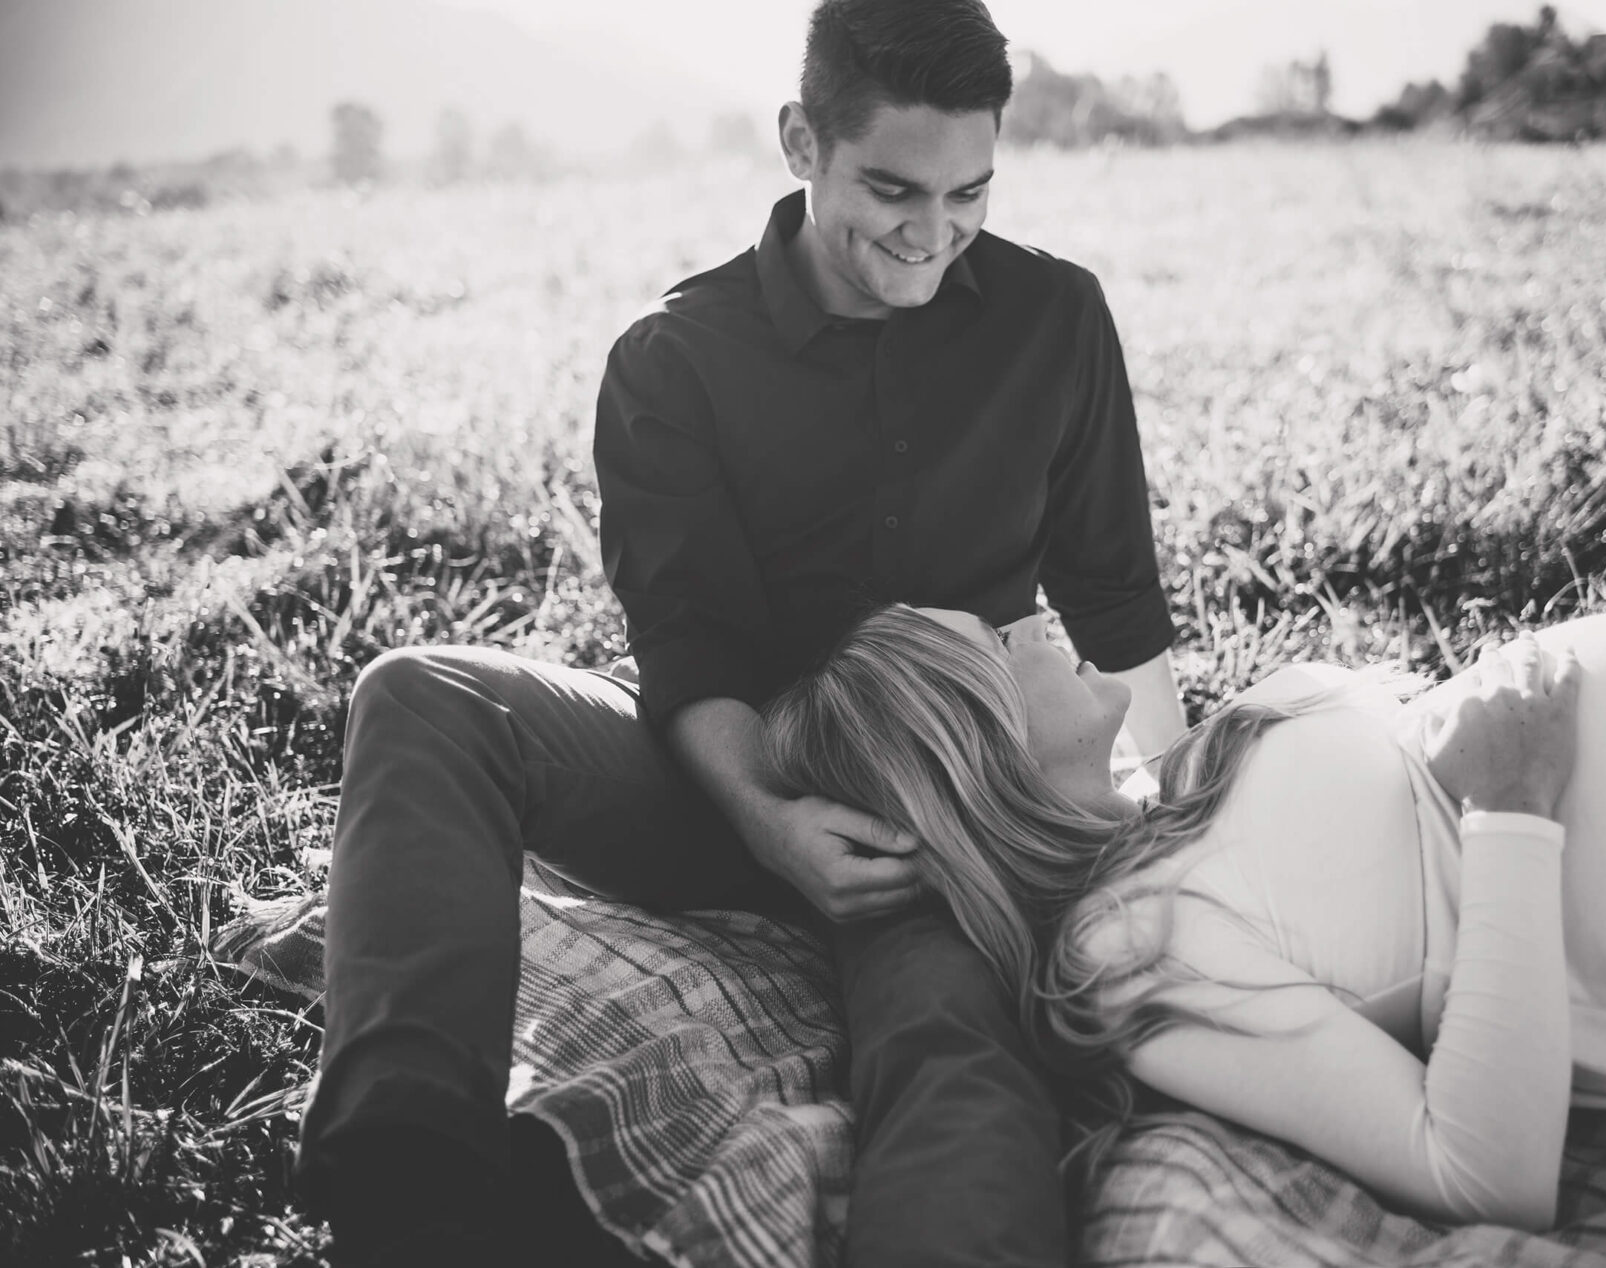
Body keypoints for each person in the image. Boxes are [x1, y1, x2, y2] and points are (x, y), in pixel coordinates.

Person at [297, 1, 1186, 1265]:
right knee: (425, 692)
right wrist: (770, 824)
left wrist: (1170, 822)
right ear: (798, 142)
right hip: (725, 776)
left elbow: (1114, 595)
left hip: (941, 809)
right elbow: (689, 644)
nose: (932, 235)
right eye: (891, 189)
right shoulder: (673, 359)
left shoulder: (1055, 318)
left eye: (970, 192)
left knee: (954, 1047)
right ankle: (406, 1192)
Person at [760, 604, 1606, 1230]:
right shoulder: (1124, 951)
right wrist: (1514, 809)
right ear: (973, 744)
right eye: (993, 640)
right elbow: (1478, 1172)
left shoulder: (1175, 785)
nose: (1028, 616)